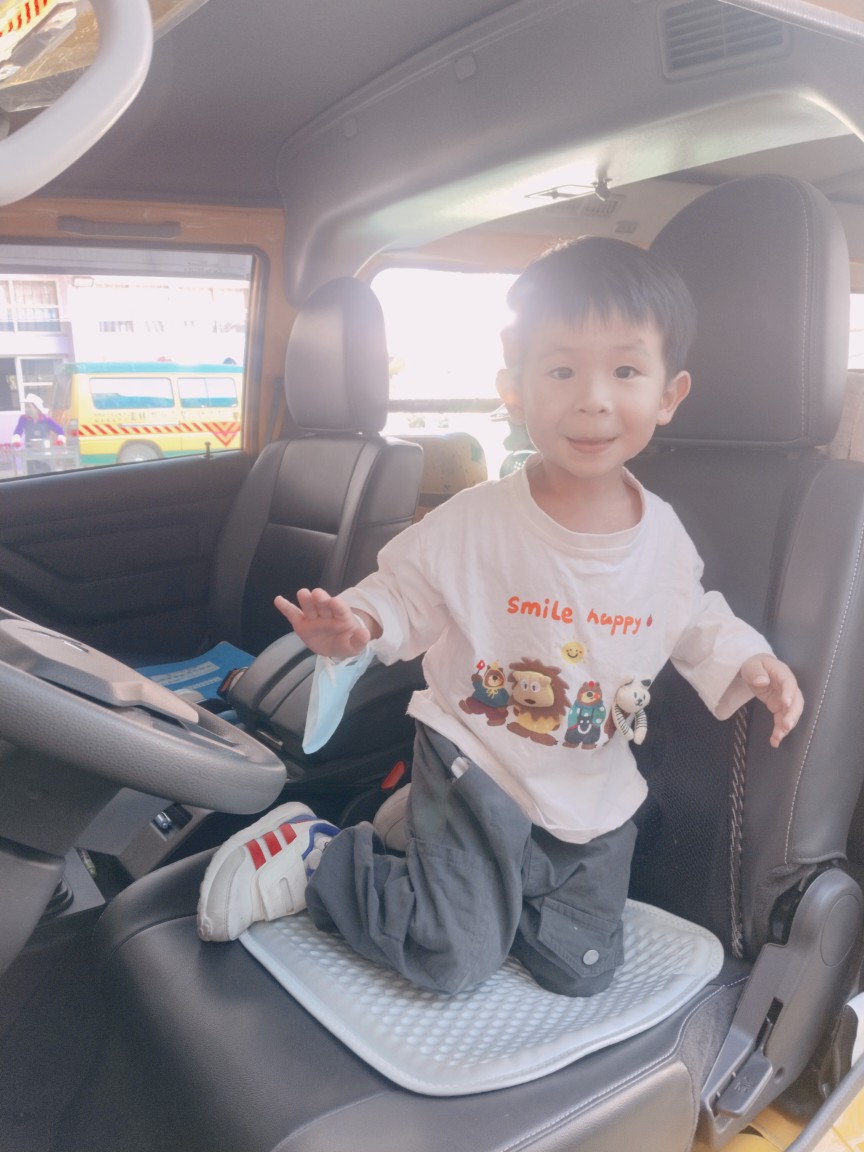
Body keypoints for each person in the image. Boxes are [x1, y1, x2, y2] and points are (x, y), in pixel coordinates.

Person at [197, 237, 804, 998]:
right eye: (561, 370)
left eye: (624, 371)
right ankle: (324, 857)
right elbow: (403, 590)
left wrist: (749, 660)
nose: (593, 398)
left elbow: (694, 615)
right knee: (452, 954)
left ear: (668, 394)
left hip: (589, 788)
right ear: (514, 387)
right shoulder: (477, 519)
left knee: (580, 971)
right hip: (475, 760)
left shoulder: (664, 537)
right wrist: (359, 625)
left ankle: (428, 849)